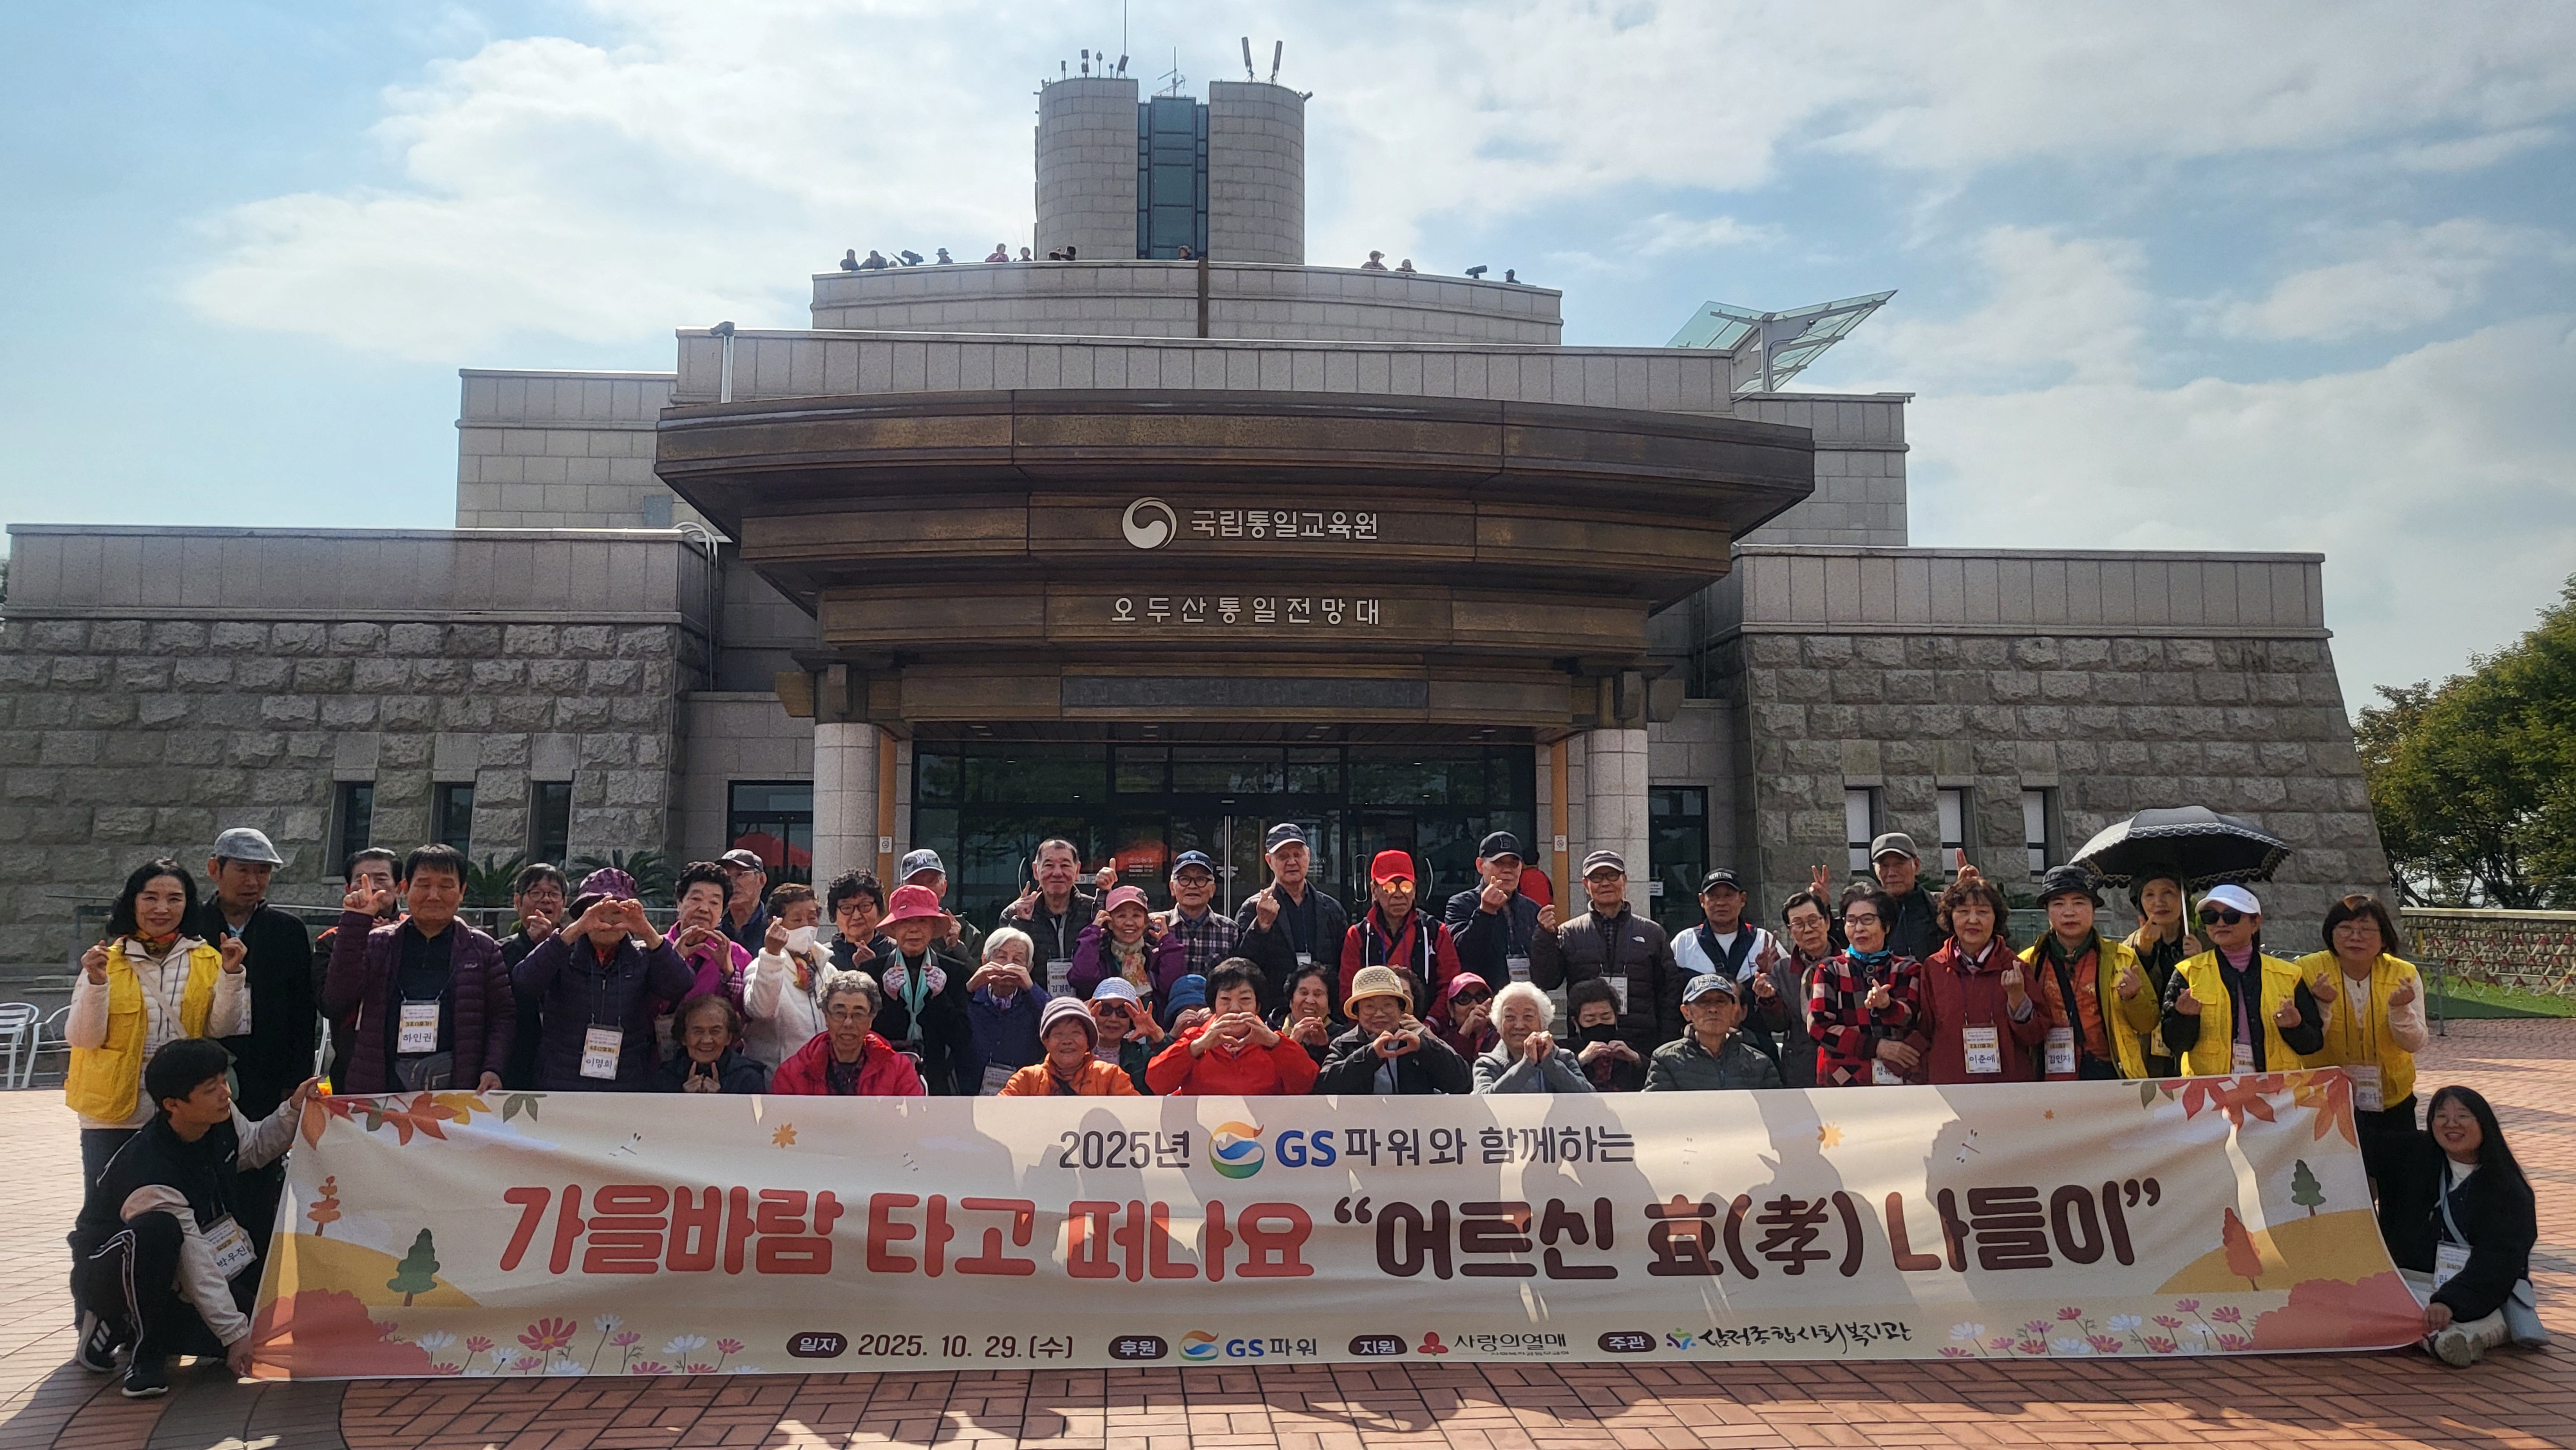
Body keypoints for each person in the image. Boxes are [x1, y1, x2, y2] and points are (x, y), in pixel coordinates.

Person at [68, 1039, 318, 1398]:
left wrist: (294, 1109)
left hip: (176, 1269)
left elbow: (253, 1147)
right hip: (108, 1272)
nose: (225, 1093)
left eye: (223, 1081)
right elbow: (194, 1259)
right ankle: (141, 1349)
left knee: (261, 1334)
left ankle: (139, 1325)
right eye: (211, 1088)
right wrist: (233, 1335)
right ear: (173, 1104)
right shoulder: (151, 1168)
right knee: (158, 1231)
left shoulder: (221, 1119)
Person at [66, 862, 250, 1183]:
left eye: (174, 899)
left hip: (184, 1111)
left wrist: (232, 975)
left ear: (188, 905)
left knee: (180, 1200)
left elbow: (221, 1029)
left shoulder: (208, 959)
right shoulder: (105, 961)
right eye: (150, 897)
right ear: (132, 902)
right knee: (110, 1202)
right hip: (113, 1113)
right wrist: (96, 983)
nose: (162, 909)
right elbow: (84, 1039)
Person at [322, 844, 513, 1095]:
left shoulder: (482, 949)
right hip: (381, 1082)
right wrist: (355, 922)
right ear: (404, 889)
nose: (434, 895)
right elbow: (337, 998)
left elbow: (502, 1015)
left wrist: (493, 1068)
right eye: (423, 884)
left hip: (459, 1084)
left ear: (462, 892)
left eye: (446, 886)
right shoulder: (377, 943)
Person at [2380, 1086, 2539, 1367]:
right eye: (2441, 1116)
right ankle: (2448, 1340)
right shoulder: (2417, 1156)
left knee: (2482, 1313)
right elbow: (2363, 1143)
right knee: (2387, 1301)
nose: (2451, 1125)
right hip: (2421, 1283)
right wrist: (2343, 1095)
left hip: (2480, 1289)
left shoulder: (2507, 1188)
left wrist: (2451, 1302)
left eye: (2463, 1116)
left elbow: (2498, 1261)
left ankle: (2454, 1337)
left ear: (2483, 1124)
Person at [511, 878, 694, 1091]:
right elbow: (524, 982)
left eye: (617, 913)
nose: (607, 922)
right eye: (598, 913)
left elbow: (681, 984)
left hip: (626, 1082)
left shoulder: (643, 957)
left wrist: (647, 932)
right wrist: (572, 932)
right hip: (562, 1081)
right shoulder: (561, 952)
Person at [2299, 894, 2429, 1191]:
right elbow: (2306, 1041)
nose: (2355, 937)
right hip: (2327, 1098)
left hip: (2392, 1100)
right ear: (2331, 932)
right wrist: (2322, 1005)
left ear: (2383, 938)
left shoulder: (2404, 974)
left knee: (2399, 1185)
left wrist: (2400, 1010)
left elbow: (2415, 1043)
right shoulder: (2306, 970)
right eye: (2345, 928)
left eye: (2367, 930)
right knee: (2339, 1187)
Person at [198, 827, 314, 1131]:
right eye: (242, 870)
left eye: (263, 871)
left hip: (268, 1070)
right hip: (201, 1072)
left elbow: (302, 1011)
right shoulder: (191, 926)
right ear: (214, 869)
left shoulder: (287, 930)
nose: (253, 882)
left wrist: (296, 1079)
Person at [1530, 850, 1681, 1056]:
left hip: (1642, 1042)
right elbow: (1547, 981)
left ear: (1624, 880)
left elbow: (1670, 993)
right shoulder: (1569, 933)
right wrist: (1545, 938)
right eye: (1596, 878)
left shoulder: (1652, 933)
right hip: (1587, 1042)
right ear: (1586, 885)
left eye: (1612, 875)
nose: (1605, 883)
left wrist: (1665, 1044)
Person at [2162, 883, 2325, 1076]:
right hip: (2210, 1089)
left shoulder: (2289, 975)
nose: (2220, 923)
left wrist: (2295, 1027)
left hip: (2275, 1089)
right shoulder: (2187, 972)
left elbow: (2313, 1044)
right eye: (2210, 917)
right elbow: (2174, 1044)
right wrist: (2184, 1018)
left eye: (2231, 916)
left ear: (2255, 923)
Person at [2020, 864, 2155, 1080]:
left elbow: (2148, 1024)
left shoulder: (2122, 958)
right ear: (2047, 911)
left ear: (2094, 908)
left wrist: (2132, 998)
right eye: (2058, 903)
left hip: (2109, 1074)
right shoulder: (2028, 962)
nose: (2069, 912)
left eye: (2079, 902)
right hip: (2049, 1077)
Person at [1904, 876, 2043, 1084]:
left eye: (1983, 912)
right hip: (1951, 1085)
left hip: (2008, 1087)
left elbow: (2036, 1036)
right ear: (1950, 917)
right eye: (1963, 911)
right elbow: (1925, 1029)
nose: (1973, 920)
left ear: (1996, 918)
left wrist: (2018, 1000)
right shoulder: (1934, 967)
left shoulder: (2015, 967)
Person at [1147, 960, 1320, 1095]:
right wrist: (1198, 1047)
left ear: (1258, 1006)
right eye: (1225, 1000)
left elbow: (1307, 1084)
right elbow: (1156, 1084)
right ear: (1213, 1006)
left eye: (1245, 1000)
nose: (1235, 1008)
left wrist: (1275, 1043)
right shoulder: (1195, 1038)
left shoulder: (1274, 1043)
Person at [1805, 887, 1919, 1086]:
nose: (1858, 928)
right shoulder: (1829, 970)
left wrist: (1888, 1007)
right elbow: (1818, 1027)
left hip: (1899, 1081)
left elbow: (1914, 1019)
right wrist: (1876, 1047)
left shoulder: (1908, 969)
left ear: (1886, 926)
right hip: (1842, 1083)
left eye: (1867, 920)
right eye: (1851, 921)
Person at [869, 883, 974, 1093]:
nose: (914, 929)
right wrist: (889, 999)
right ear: (894, 928)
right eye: (905, 921)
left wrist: (940, 997)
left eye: (922, 921)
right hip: (883, 1082)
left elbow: (962, 1040)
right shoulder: (872, 972)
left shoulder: (954, 972)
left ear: (934, 927)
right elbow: (867, 1035)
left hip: (937, 1084)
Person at [314, 847, 401, 1089]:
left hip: (410, 1064)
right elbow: (330, 1005)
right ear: (347, 889)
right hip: (351, 1066)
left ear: (400, 887)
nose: (370, 887)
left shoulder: (413, 933)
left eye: (381, 879)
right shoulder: (331, 940)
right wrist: (359, 935)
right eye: (361, 880)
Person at [1316, 965, 1473, 1095]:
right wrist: (1371, 1055)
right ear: (1357, 1013)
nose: (1379, 1013)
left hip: (1416, 1123)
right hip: (1361, 1123)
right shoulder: (1344, 1044)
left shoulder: (1417, 1041)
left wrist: (1424, 1047)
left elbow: (1462, 1083)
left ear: (1401, 1009)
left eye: (1388, 1005)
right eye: (1369, 1007)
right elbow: (1325, 1086)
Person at [1340, 849, 1463, 1008]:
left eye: (1406, 887)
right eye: (1389, 888)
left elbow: (1450, 987)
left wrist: (1430, 1021)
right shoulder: (1358, 935)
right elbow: (1348, 992)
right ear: (1374, 891)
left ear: (1415, 889)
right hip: (1373, 1021)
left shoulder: (1436, 932)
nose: (1398, 895)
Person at [1235, 824, 1349, 991]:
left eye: (1298, 855)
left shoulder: (1332, 908)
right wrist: (1260, 927)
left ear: (1308, 855)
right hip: (1275, 1002)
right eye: (1283, 857)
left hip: (1320, 1000)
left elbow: (1344, 964)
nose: (1292, 862)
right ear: (1269, 861)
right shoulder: (1254, 908)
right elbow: (1242, 967)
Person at [770, 975, 927, 1096]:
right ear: (826, 1018)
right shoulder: (791, 1073)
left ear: (871, 1019)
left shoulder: (899, 1070)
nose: (848, 1023)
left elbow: (911, 1122)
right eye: (839, 1013)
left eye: (858, 1014)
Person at [744, 883, 836, 1072]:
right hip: (777, 1077)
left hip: (820, 1077)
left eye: (812, 918)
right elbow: (762, 1011)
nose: (806, 926)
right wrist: (772, 955)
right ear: (775, 923)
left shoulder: (827, 969)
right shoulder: (761, 966)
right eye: (797, 919)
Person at [2121, 871, 2204, 1077]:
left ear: (2183, 897)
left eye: (2168, 892)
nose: (2159, 902)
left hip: (2196, 1049)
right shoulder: (2127, 949)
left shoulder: (2204, 942)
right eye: (2149, 895)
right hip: (2146, 1053)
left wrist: (2201, 963)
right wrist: (2143, 953)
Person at [1643, 974, 1783, 1091]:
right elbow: (1659, 1111)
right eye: (1703, 1002)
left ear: (1734, 1011)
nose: (1713, 1009)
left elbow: (1775, 1111)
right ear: (1686, 1012)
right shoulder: (1666, 1060)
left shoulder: (1760, 1063)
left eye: (1720, 1001)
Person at [497, 861, 567, 1089]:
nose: (546, 900)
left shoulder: (578, 951)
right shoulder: (499, 952)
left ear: (564, 903)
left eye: (554, 894)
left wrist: (551, 946)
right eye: (535, 893)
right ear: (517, 902)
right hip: (514, 1063)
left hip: (564, 1068)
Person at [1444, 831, 1541, 987]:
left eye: (1513, 864)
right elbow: (1461, 955)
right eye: (1499, 863)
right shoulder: (1461, 904)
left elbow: (1548, 970)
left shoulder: (1532, 909)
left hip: (1525, 995)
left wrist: (1549, 937)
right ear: (1480, 866)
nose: (1507, 870)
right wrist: (1485, 913)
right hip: (1483, 996)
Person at [1759, 889, 1834, 1088]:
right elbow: (1779, 1025)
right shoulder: (1782, 969)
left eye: (1813, 921)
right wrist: (1768, 1000)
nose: (1808, 930)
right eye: (1798, 924)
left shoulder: (1848, 962)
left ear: (1827, 922)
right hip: (1800, 1065)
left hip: (1842, 1060)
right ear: (1790, 931)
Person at [1002, 839, 1099, 991]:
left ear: (1077, 871)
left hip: (1087, 1003)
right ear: (1036, 871)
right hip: (1034, 1003)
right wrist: (1021, 923)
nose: (1057, 873)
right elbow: (1006, 968)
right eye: (1049, 865)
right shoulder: (1013, 914)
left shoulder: (1093, 911)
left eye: (1065, 865)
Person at [1069, 885, 1186, 1006]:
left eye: (1136, 916)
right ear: (1109, 923)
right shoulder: (1099, 956)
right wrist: (1091, 934)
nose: (1129, 922)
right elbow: (1083, 981)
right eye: (1121, 916)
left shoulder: (1155, 956)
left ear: (1146, 922)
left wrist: (1168, 944)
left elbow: (1172, 987)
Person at [964, 927, 1048, 1094]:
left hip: (1024, 1095)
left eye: (1018, 960)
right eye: (1001, 957)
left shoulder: (1035, 1001)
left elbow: (1058, 1025)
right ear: (985, 961)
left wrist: (1031, 988)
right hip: (970, 1095)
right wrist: (968, 988)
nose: (1008, 965)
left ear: (1029, 968)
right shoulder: (971, 998)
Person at [1001, 997, 1141, 1096]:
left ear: (1089, 1041)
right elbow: (998, 1114)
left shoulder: (1111, 1077)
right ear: (1046, 1042)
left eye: (1076, 1033)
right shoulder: (1026, 1079)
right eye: (1058, 1034)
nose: (1067, 1041)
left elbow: (1135, 1115)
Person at [1473, 981, 1591, 1093]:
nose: (1519, 1025)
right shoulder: (1487, 1064)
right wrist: (1527, 1064)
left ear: (1543, 1024)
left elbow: (1588, 1096)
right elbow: (1483, 1101)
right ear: (1498, 1024)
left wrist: (1550, 1064)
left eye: (1528, 1016)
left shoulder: (1563, 1058)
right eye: (1509, 1017)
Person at [654, 993, 769, 1094]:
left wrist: (718, 1100)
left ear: (728, 1038)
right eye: (698, 1031)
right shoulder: (664, 1078)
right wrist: (683, 1098)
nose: (707, 1040)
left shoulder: (747, 1078)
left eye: (715, 1032)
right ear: (684, 1037)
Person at [671, 861, 752, 1004]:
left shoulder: (738, 955)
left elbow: (746, 1011)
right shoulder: (655, 949)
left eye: (714, 903)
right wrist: (671, 962)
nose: (704, 909)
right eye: (696, 899)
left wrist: (728, 971)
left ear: (722, 911)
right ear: (679, 903)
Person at [1159, 852, 1240, 979]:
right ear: (1172, 888)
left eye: (1201, 879)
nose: (1192, 886)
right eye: (1184, 879)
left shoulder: (1230, 930)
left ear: (1212, 889)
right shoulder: (1156, 925)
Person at [1868, 833, 1942, 961]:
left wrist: (1970, 889)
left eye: (1899, 864)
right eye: (1884, 866)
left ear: (1916, 865)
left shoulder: (1940, 906)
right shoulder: (1868, 912)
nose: (1891, 873)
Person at [899, 848, 983, 961]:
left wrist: (956, 948)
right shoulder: (890, 931)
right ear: (902, 890)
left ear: (944, 887)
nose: (924, 889)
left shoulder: (969, 934)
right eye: (915, 883)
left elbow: (981, 971)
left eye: (931, 881)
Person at [1086, 978, 1164, 1092]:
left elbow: (1173, 1075)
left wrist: (1156, 1033)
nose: (1113, 1018)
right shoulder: (1076, 1052)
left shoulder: (1141, 1056)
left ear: (1132, 1020)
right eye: (1106, 1010)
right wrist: (1081, 1026)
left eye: (1122, 1012)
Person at [1269, 963, 1339, 1067]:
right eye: (1304, 993)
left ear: (1329, 1006)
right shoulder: (1269, 1030)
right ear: (1291, 1001)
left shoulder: (1341, 1039)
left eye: (1317, 995)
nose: (1310, 1001)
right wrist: (1290, 1045)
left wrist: (1322, 1048)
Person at [826, 869, 893, 975]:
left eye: (865, 906)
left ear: (879, 908)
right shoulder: (824, 957)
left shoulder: (896, 952)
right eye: (847, 908)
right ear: (834, 914)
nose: (856, 916)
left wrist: (873, 966)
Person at [1429, 972, 1497, 1059]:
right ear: (1451, 1009)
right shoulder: (1441, 1043)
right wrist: (1465, 1032)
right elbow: (1449, 1065)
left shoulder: (1501, 1037)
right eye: (1464, 999)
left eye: (1481, 997)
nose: (1474, 1005)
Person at [718, 849, 771, 954]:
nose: (732, 883)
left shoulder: (772, 931)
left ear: (761, 880)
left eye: (740, 874)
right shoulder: (714, 930)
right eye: (726, 876)